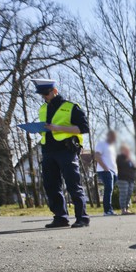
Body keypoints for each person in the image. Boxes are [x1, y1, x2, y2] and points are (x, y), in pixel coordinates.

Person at [32, 78, 90, 228]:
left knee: (73, 184)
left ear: (55, 91)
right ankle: (60, 217)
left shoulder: (71, 107)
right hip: (48, 150)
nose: (44, 97)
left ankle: (82, 218)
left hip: (66, 150)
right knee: (51, 185)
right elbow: (47, 129)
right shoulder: (43, 109)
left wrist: (58, 128)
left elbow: (83, 128)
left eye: (46, 93)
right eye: (42, 94)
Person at [94, 130, 118, 216]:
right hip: (105, 171)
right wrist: (105, 168)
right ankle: (107, 210)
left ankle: (109, 209)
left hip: (113, 171)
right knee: (108, 189)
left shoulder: (112, 147)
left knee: (109, 190)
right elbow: (97, 155)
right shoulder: (102, 143)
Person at [116, 144, 136, 215]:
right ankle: (123, 209)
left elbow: (135, 167)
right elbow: (121, 165)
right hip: (122, 178)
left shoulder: (130, 159)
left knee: (129, 193)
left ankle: (126, 208)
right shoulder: (119, 157)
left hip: (131, 179)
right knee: (124, 193)